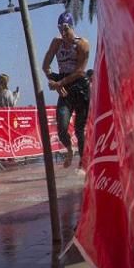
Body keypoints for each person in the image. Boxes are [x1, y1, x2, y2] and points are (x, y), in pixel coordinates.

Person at [42, 11, 91, 168]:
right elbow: (45, 66)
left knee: (79, 128)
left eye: (65, 29)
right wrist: (54, 82)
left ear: (71, 27)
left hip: (80, 87)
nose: (63, 33)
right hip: (64, 87)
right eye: (60, 29)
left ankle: (83, 164)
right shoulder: (57, 42)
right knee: (62, 127)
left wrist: (59, 83)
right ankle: (70, 150)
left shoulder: (82, 44)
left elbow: (80, 72)